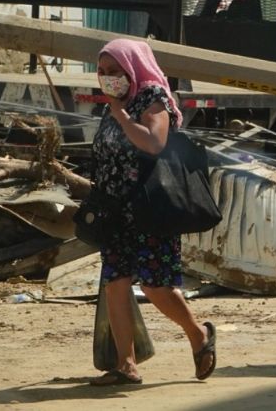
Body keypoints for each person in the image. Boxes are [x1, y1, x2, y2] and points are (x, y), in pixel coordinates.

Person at [88, 38, 216, 385]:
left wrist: (120, 114)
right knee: (115, 282)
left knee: (157, 287)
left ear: (132, 67)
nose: (107, 77)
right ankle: (125, 365)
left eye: (114, 70)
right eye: (102, 71)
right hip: (116, 210)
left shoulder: (151, 97)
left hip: (150, 209)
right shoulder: (116, 102)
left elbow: (154, 143)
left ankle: (198, 334)